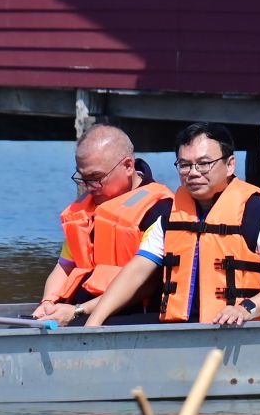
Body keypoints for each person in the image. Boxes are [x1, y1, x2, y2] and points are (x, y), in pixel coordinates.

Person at [77, 123, 260, 328]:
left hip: (236, 327)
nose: (193, 173)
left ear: (230, 164)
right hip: (180, 329)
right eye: (184, 165)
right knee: (90, 323)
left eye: (204, 164)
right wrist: (94, 320)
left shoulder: (259, 213)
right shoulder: (170, 215)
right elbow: (137, 271)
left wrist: (246, 309)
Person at [33, 124, 171, 324]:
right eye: (82, 178)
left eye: (96, 178)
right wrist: (48, 302)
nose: (89, 187)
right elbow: (65, 265)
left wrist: (77, 311)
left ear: (128, 166)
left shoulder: (159, 210)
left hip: (129, 316)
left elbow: (145, 285)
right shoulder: (85, 210)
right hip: (77, 310)